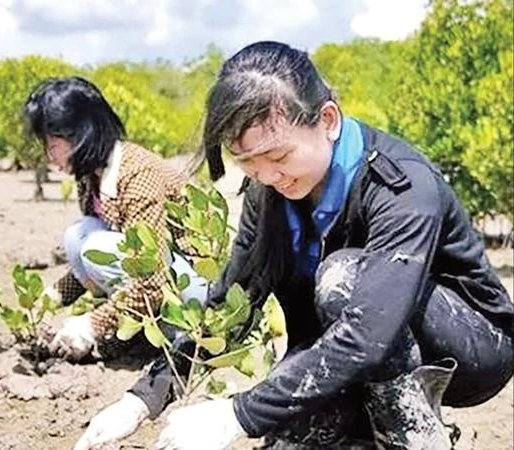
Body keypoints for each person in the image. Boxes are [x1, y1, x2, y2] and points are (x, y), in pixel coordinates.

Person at [75, 41, 514, 450]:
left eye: (279, 157)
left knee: (341, 277)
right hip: (352, 347)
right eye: (247, 162)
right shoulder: (268, 193)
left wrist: (237, 415)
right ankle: (362, 426)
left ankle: (414, 436)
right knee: (287, 432)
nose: (268, 176)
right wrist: (143, 398)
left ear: (327, 121)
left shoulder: (403, 187)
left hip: (471, 348)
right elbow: (233, 303)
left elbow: (369, 331)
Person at [23, 76, 210, 361]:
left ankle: (168, 329)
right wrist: (52, 298)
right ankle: (134, 324)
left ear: (78, 136)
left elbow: (152, 280)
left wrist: (91, 325)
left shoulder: (137, 177)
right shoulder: (90, 176)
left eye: (51, 145)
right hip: (160, 276)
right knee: (79, 237)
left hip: (191, 291)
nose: (49, 156)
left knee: (94, 247)